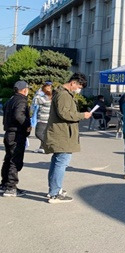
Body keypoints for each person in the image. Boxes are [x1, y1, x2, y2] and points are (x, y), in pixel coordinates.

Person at [44, 73, 92, 203]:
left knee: (57, 162)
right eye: (79, 86)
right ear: (73, 83)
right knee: (61, 163)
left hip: (61, 133)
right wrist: (82, 115)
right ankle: (55, 193)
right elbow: (64, 113)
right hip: (63, 134)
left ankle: (54, 190)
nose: (79, 89)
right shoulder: (64, 95)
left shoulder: (61, 93)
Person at [1, 81, 32, 197]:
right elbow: (19, 115)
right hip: (17, 134)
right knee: (15, 160)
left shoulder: (11, 99)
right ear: (24, 90)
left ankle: (5, 184)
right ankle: (11, 187)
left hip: (10, 132)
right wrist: (27, 125)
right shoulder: (21, 100)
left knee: (9, 159)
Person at [33, 81, 53, 153]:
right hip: (48, 119)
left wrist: (38, 92)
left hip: (42, 119)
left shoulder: (45, 98)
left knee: (38, 133)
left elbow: (35, 101)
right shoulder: (51, 97)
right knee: (44, 133)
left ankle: (47, 144)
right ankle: (42, 147)